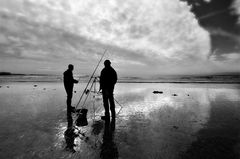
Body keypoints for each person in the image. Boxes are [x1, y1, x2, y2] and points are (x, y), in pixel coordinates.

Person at [63, 64, 78, 128]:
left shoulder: (68, 72)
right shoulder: (68, 72)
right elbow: (70, 80)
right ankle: (69, 107)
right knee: (69, 96)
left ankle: (69, 106)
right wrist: (75, 81)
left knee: (69, 96)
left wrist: (74, 81)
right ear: (70, 68)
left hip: (68, 86)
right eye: (72, 67)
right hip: (68, 86)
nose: (73, 68)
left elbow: (70, 79)